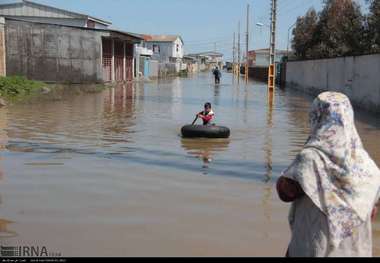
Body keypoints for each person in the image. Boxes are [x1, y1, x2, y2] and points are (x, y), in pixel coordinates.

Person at [276, 92, 380, 257]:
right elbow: (371, 212)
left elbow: (285, 193)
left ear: (316, 117)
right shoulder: (369, 168)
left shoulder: (310, 159)